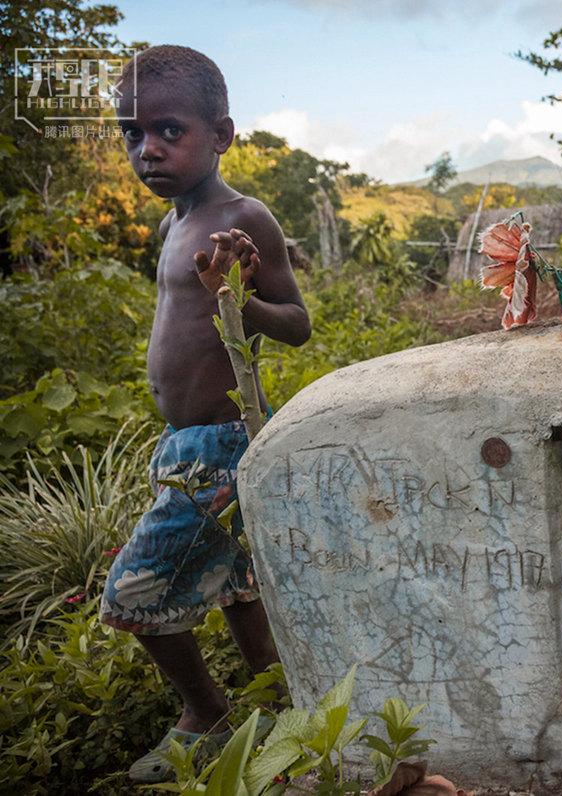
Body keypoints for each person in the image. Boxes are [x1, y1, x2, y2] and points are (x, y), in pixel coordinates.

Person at [97, 45, 312, 785]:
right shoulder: (173, 223)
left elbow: (296, 322)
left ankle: (206, 714)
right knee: (239, 587)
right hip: (183, 443)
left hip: (219, 446)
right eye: (131, 134)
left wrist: (238, 298)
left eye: (167, 131)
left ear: (220, 135)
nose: (146, 150)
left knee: (131, 596)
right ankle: (289, 710)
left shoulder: (241, 215)